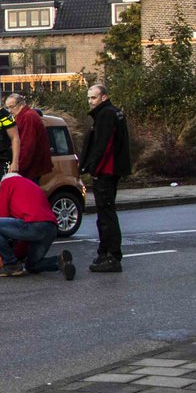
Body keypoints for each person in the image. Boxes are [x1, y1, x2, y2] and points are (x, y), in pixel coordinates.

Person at [0, 172, 75, 280]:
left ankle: (10, 265)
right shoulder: (32, 185)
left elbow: (1, 214)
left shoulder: (7, 183)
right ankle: (59, 261)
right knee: (32, 265)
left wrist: (9, 254)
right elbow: (24, 235)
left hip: (33, 225)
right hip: (50, 228)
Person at [79, 82, 131, 273]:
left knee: (106, 214)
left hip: (106, 171)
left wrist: (93, 167)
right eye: (89, 98)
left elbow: (103, 145)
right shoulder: (112, 113)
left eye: (93, 97)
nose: (90, 102)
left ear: (104, 97)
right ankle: (105, 252)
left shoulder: (106, 115)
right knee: (105, 214)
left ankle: (111, 255)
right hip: (110, 170)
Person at [3, 92, 53, 185]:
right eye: (7, 107)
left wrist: (18, 166)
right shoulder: (25, 116)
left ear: (21, 105)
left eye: (12, 106)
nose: (9, 110)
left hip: (30, 168)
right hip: (31, 167)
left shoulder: (27, 117)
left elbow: (27, 146)